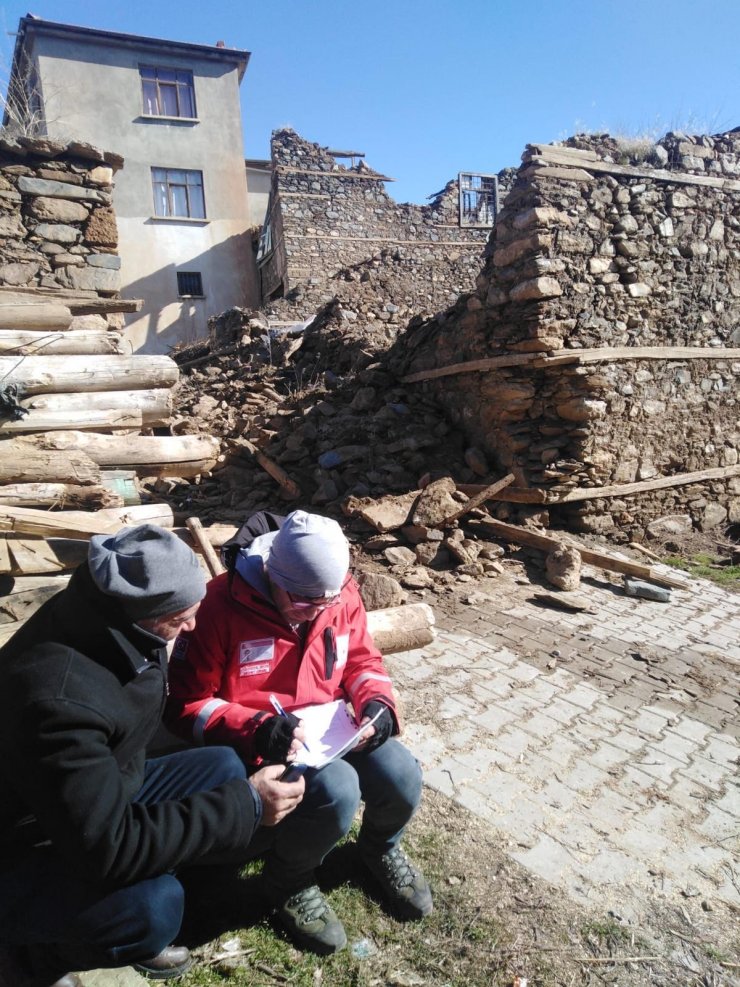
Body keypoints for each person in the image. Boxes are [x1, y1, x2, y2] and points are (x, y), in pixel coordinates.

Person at [0, 524, 304, 987]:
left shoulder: (115, 620)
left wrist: (257, 732)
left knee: (221, 766)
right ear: (143, 613)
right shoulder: (60, 703)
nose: (193, 627)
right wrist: (248, 806)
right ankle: (28, 963)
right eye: (181, 618)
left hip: (87, 796)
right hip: (21, 841)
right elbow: (108, 847)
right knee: (154, 907)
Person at [165, 510, 432, 955]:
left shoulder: (336, 594)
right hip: (262, 743)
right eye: (304, 601)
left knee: (402, 774)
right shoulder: (219, 606)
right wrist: (257, 728)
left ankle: (380, 848)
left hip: (332, 731)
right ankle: (287, 880)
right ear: (273, 573)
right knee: (339, 790)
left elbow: (362, 660)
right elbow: (184, 705)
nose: (317, 612)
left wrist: (377, 706)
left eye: (327, 602)